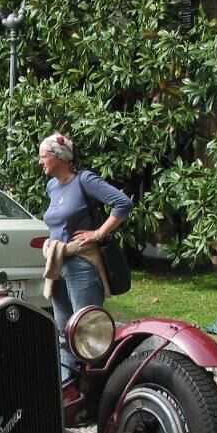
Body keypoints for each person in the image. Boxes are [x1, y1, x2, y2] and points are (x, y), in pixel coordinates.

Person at [38, 133, 133, 377]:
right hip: (58, 264)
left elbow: (123, 204)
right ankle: (68, 387)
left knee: (88, 331)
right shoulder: (51, 186)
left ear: (59, 157)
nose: (40, 161)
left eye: (43, 156)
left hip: (82, 265)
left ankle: (98, 389)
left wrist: (98, 233)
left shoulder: (85, 181)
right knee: (64, 331)